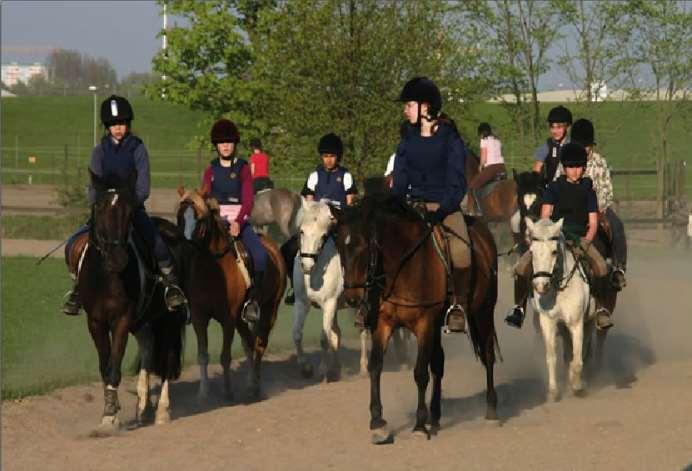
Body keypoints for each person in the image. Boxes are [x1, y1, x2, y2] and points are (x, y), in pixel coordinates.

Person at [62, 95, 186, 315]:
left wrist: (128, 207)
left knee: (156, 243)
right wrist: (99, 207)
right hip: (104, 212)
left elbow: (143, 187)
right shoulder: (99, 151)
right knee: (73, 243)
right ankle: (78, 288)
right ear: (107, 127)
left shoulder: (137, 148)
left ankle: (171, 286)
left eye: (122, 124)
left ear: (128, 124)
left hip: (131, 210)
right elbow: (93, 186)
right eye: (113, 125)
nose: (118, 128)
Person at [391, 76, 470, 334]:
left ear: (425, 108)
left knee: (461, 252)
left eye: (409, 105)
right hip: (412, 207)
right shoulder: (407, 138)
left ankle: (457, 306)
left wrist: (442, 210)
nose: (405, 109)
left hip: (443, 207)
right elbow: (400, 178)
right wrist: (396, 203)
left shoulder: (450, 138)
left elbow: (458, 184)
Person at [506, 143, 613, 330]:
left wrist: (587, 241)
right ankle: (518, 308)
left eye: (579, 166)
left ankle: (601, 309)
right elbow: (545, 217)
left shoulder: (588, 190)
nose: (575, 171)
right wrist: (546, 238)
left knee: (602, 267)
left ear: (584, 167)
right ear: (564, 168)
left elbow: (593, 222)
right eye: (571, 166)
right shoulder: (553, 189)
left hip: (580, 237)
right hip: (555, 237)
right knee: (522, 266)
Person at [201, 119, 268, 323]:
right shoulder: (210, 170)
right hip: (216, 222)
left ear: (235, 143)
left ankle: (252, 301)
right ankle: (190, 302)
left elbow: (248, 200)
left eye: (229, 141)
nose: (226, 145)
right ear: (216, 145)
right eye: (222, 142)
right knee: (192, 253)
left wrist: (239, 221)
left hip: (240, 221)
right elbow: (205, 198)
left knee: (260, 256)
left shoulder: (243, 168)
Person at [282, 133, 358, 305]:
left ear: (338, 157)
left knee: (351, 248)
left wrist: (340, 218)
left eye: (331, 156)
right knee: (287, 248)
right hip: (317, 221)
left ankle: (351, 288)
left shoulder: (345, 175)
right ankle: (295, 287)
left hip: (337, 220)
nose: (328, 160)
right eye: (325, 156)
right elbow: (308, 200)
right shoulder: (314, 175)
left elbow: (350, 202)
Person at [557, 118, 627, 290]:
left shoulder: (599, 162)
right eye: (580, 146)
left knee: (617, 226)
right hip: (568, 211)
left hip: (597, 209)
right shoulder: (564, 162)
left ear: (592, 145)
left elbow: (606, 191)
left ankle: (619, 268)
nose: (584, 150)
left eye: (587, 146)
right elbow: (556, 185)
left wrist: (592, 210)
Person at [466, 122, 507, 215]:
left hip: (491, 169)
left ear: (481, 133)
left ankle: (479, 209)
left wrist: (480, 166)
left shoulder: (484, 141)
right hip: (502, 168)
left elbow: (484, 157)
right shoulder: (497, 140)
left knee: (472, 186)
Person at [533, 105, 573, 186]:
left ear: (568, 127)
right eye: (552, 127)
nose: (555, 131)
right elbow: (537, 169)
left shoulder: (574, 146)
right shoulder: (547, 146)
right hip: (552, 190)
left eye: (559, 127)